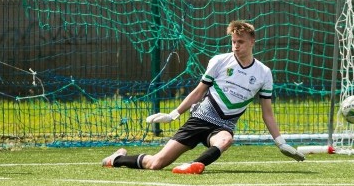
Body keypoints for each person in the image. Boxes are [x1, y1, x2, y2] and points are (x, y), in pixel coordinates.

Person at [101, 20, 305, 174]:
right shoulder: (219, 61)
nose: (236, 46)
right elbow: (199, 91)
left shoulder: (264, 73)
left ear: (253, 41)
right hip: (199, 120)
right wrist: (174, 114)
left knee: (226, 139)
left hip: (222, 126)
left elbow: (267, 113)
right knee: (156, 164)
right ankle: (116, 159)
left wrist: (280, 142)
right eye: (233, 41)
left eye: (241, 42)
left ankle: (194, 165)